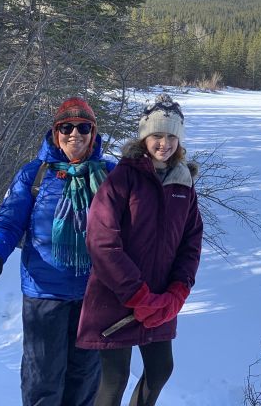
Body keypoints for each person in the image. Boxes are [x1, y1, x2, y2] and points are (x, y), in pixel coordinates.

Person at [0, 97, 115, 406]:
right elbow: (8, 221)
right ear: (56, 133)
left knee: (84, 383)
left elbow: (142, 219)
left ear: (94, 133)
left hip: (95, 295)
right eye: (67, 127)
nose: (75, 134)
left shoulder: (112, 175)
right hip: (44, 294)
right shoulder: (36, 175)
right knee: (42, 381)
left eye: (83, 127)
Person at [76, 94, 203, 406]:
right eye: (157, 135)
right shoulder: (124, 177)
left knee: (160, 370)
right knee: (115, 379)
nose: (164, 144)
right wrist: (136, 294)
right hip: (117, 297)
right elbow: (102, 241)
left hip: (161, 300)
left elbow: (191, 242)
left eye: (172, 136)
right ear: (145, 137)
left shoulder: (183, 182)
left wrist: (178, 291)